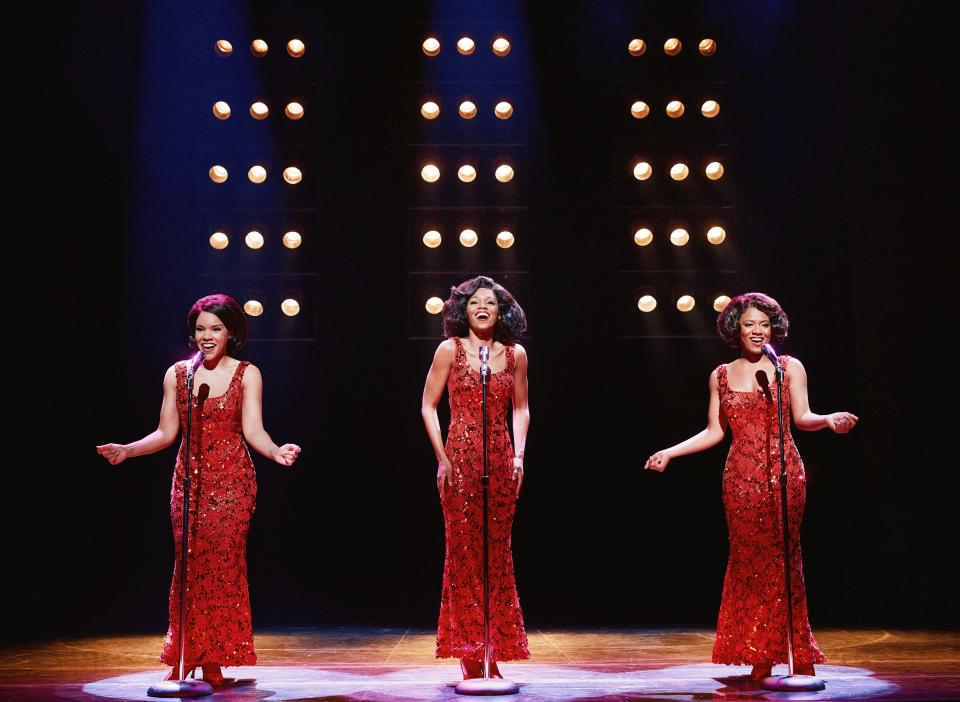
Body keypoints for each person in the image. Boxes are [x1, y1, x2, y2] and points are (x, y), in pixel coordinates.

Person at [644, 292, 858, 680]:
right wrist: (670, 453)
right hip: (740, 479)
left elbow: (803, 416)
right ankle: (760, 651)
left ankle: (796, 651)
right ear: (735, 329)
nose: (758, 331)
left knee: (785, 561)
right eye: (749, 324)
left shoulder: (788, 367)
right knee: (750, 564)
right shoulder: (720, 375)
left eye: (764, 324)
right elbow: (714, 431)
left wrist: (827, 420)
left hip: (785, 472)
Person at [96, 294, 301, 686]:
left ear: (231, 333)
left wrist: (277, 453)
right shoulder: (178, 374)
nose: (207, 336)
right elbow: (166, 432)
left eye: (216, 329)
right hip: (188, 484)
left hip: (232, 486)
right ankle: (184, 654)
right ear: (193, 333)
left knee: (221, 569)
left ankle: (213, 659)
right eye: (201, 328)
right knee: (188, 568)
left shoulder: (247, 373)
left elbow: (254, 430)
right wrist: (128, 450)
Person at [421, 275, 531, 679]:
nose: (482, 308)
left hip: (501, 459)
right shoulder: (449, 350)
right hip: (461, 459)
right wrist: (442, 456)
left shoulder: (516, 354)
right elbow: (428, 406)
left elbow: (521, 408)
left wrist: (518, 455)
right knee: (465, 554)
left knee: (496, 555)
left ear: (501, 311)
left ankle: (494, 647)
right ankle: (469, 650)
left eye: (490, 303)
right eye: (474, 303)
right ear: (462, 310)